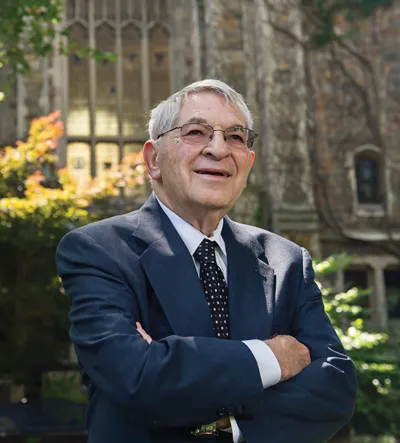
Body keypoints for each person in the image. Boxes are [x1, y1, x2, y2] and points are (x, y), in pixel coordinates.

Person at [56, 79, 357, 443]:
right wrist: (271, 358)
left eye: (235, 136)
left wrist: (225, 424)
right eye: (196, 132)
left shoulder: (286, 261)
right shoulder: (99, 251)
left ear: (248, 161)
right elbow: (135, 376)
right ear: (153, 159)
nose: (218, 149)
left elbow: (335, 387)